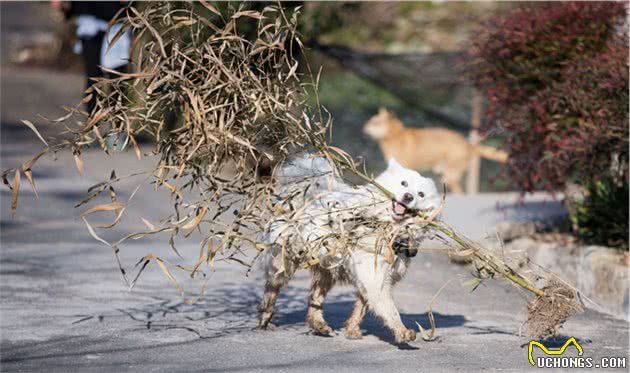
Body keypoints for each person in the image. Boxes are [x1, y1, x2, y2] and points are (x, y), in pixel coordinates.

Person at [52, 1, 130, 113]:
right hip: (88, 20)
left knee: (117, 78)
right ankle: (93, 121)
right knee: (93, 76)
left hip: (115, 21)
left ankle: (118, 122)